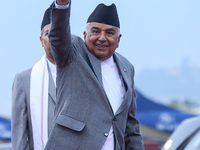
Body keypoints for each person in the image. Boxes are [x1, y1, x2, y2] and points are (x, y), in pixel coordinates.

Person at [45, 0, 144, 149]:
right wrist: (62, 5)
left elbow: (130, 127)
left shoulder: (127, 67)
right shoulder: (73, 52)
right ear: (85, 35)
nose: (102, 38)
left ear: (118, 40)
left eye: (109, 33)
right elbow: (58, 36)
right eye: (96, 31)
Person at [11, 8, 56, 150]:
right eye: (49, 33)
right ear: (41, 40)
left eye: (59, 33)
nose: (54, 37)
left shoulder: (82, 75)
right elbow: (19, 136)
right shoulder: (24, 80)